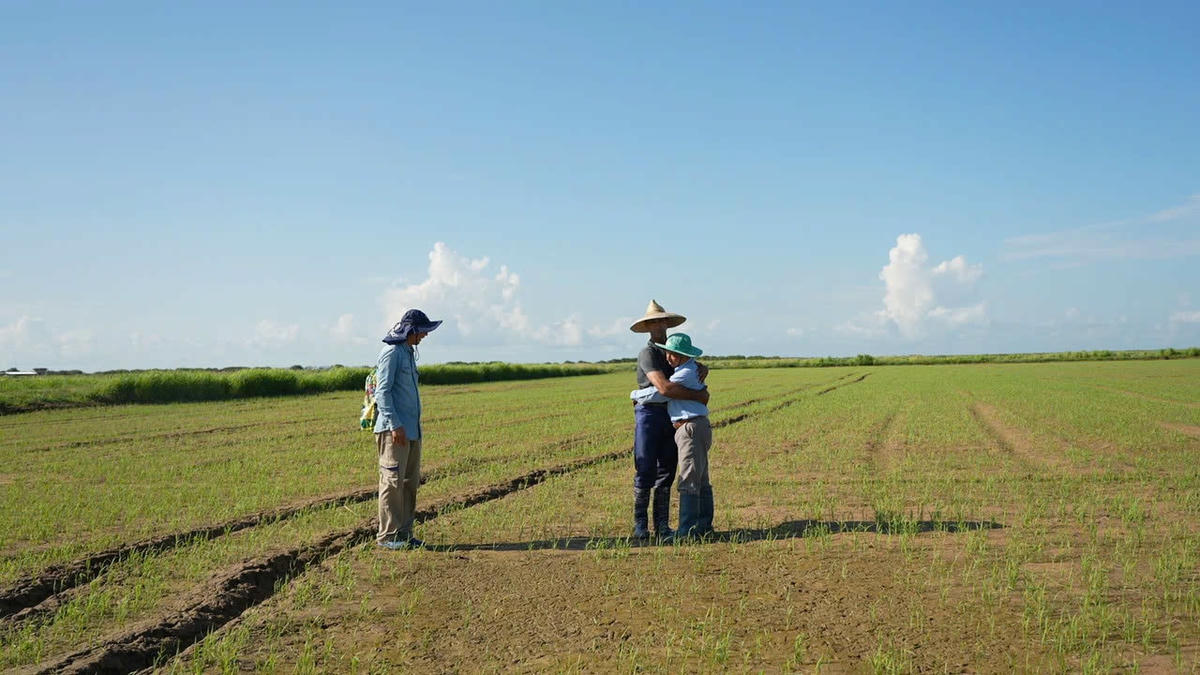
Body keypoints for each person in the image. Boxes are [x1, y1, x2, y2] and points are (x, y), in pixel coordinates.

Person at [628, 300, 709, 540]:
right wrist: (700, 396)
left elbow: (690, 371)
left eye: (660, 320)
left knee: (667, 469)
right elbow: (663, 387)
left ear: (666, 323)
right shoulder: (649, 353)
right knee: (645, 468)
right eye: (652, 322)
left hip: (670, 414)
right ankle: (640, 526)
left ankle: (662, 525)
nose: (657, 325)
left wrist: (702, 368)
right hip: (649, 414)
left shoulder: (673, 353)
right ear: (647, 327)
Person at [374, 308, 442, 550]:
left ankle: (405, 534)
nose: (424, 336)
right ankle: (388, 537)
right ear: (411, 330)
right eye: (422, 332)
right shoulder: (391, 353)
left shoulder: (409, 353)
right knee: (392, 484)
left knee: (410, 483)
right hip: (395, 431)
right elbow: (382, 392)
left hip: (412, 431)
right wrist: (395, 424)